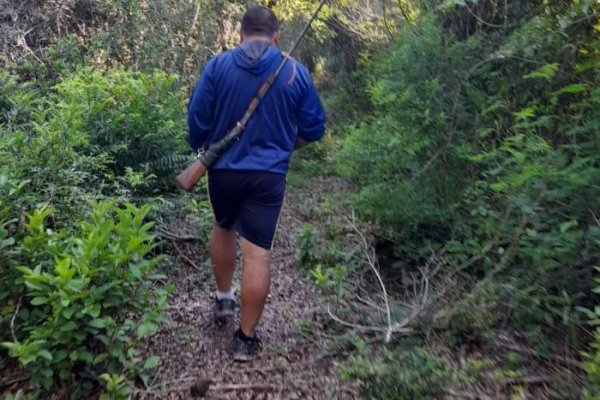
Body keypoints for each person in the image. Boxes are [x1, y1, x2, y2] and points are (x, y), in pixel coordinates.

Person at [187, 5, 326, 361]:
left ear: (239, 35)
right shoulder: (295, 72)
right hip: (268, 177)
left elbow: (197, 121)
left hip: (222, 171)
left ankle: (223, 299)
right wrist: (284, 147)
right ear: (276, 37)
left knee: (222, 226)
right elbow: (313, 128)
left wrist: (205, 145)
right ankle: (246, 340)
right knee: (256, 253)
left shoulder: (218, 66)